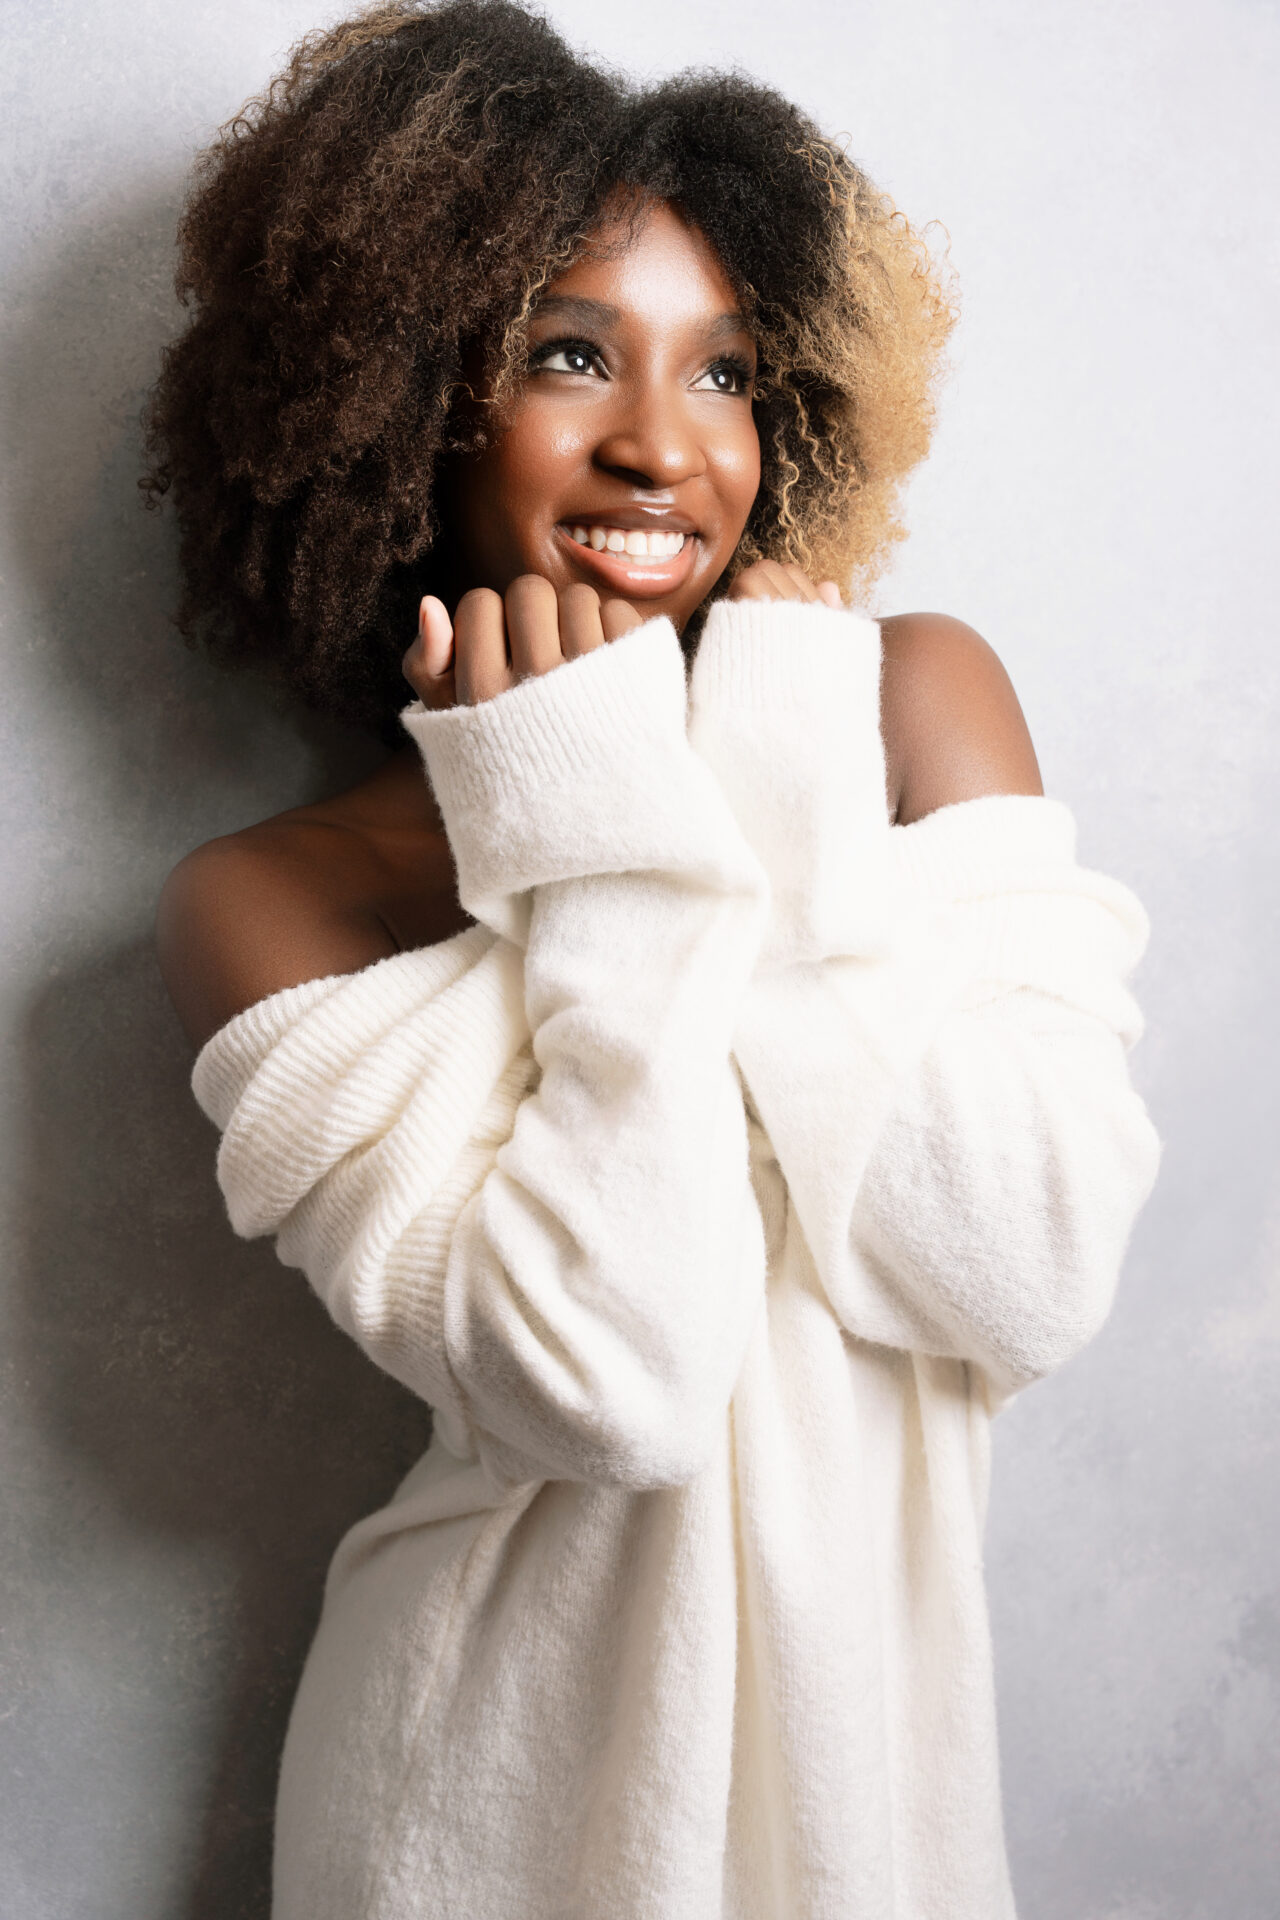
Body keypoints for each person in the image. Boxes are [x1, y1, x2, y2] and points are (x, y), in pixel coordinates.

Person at [146, 3, 1163, 1914]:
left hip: (883, 1820)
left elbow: (1024, 1271)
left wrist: (759, 801)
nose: (661, 448)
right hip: (482, 1813)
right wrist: (591, 836)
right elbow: (613, 1380)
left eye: (728, 373)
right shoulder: (278, 893)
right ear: (401, 390)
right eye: (569, 354)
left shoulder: (904, 701)